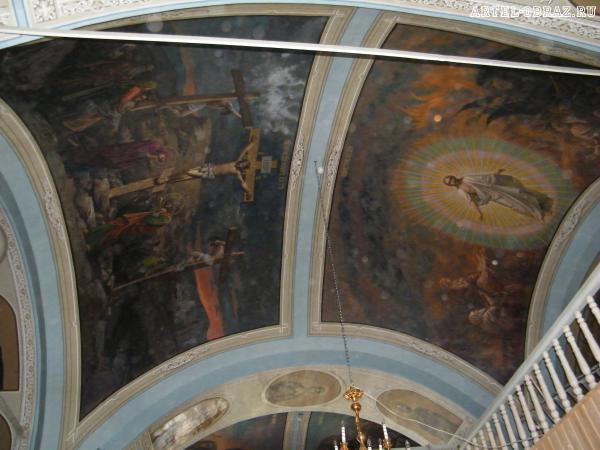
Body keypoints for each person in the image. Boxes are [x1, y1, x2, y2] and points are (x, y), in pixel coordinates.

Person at [443, 169, 552, 221]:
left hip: (496, 188)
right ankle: (539, 213)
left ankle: (541, 208)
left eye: (451, 178)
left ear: (453, 176)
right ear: (450, 185)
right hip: (493, 196)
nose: (452, 180)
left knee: (519, 194)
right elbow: (471, 202)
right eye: (450, 182)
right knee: (514, 204)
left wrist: (496, 174)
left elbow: (485, 178)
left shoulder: (467, 178)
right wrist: (478, 213)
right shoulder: (461, 191)